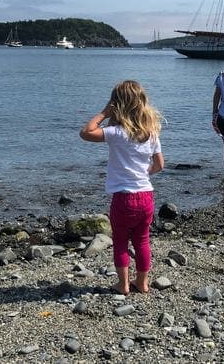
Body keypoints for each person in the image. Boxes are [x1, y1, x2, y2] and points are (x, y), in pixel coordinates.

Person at [80, 80, 164, 295]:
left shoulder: (116, 133)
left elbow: (86, 132)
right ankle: (142, 283)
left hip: (124, 199)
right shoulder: (151, 132)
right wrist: (144, 174)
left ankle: (123, 284)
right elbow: (160, 165)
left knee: (120, 241)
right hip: (146, 195)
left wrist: (104, 112)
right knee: (143, 240)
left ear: (118, 105)